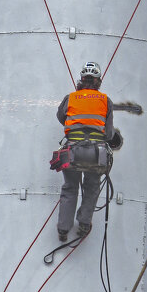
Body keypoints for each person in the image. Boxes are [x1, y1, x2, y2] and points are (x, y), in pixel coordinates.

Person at [56, 62, 114, 241]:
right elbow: (109, 133)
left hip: (72, 150)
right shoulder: (105, 100)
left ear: (81, 79)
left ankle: (63, 229)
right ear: (98, 81)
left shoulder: (70, 98)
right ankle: (84, 224)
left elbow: (61, 116)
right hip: (96, 153)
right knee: (92, 187)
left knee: (70, 187)